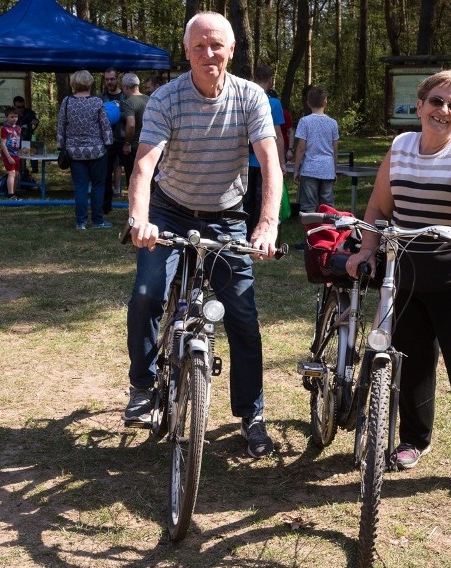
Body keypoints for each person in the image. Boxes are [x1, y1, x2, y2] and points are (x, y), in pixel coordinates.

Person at [344, 70, 451, 495]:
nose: (444, 111)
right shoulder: (400, 146)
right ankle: (414, 439)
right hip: (405, 269)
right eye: (436, 101)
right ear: (419, 106)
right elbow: (380, 204)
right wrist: (366, 249)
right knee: (410, 361)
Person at [123, 11, 283, 459]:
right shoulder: (165, 99)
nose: (208, 53)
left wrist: (266, 222)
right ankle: (141, 385)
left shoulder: (251, 97)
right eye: (199, 46)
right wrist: (140, 218)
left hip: (227, 215)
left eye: (217, 45)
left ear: (231, 50)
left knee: (243, 319)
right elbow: (144, 164)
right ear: (187, 51)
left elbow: (270, 164)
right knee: (147, 294)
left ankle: (251, 415)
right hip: (169, 211)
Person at [57, 70, 114, 230]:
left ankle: (81, 222)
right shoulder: (97, 102)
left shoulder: (67, 102)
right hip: (97, 151)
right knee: (98, 185)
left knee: (80, 187)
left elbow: (61, 126)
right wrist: (109, 143)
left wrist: (61, 146)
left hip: (74, 153)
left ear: (74, 83)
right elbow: (105, 125)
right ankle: (97, 221)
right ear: (90, 83)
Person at [243, 65, 285, 239]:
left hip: (244, 160)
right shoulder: (274, 103)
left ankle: (243, 234)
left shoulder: (246, 98)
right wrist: (281, 162)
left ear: (253, 78)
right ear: (270, 80)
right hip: (264, 160)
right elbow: (278, 136)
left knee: (246, 200)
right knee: (263, 199)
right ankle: (259, 234)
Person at [293, 86, 339, 215]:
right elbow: (335, 150)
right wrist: (334, 170)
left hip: (309, 169)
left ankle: (311, 231)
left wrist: (296, 169)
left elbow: (301, 148)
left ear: (308, 103)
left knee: (309, 205)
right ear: (325, 102)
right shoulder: (333, 123)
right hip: (327, 168)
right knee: (328, 205)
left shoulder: (304, 122)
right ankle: (328, 232)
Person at [100, 67, 126, 211]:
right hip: (107, 142)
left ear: (117, 79)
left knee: (130, 174)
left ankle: (134, 209)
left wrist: (115, 114)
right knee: (105, 175)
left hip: (123, 141)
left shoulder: (125, 97)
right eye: (107, 79)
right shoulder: (100, 98)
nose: (109, 82)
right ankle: (105, 207)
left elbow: (131, 117)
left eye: (112, 79)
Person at [120, 73, 150, 187]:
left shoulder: (129, 102)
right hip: (149, 145)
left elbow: (131, 124)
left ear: (126, 87)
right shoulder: (149, 99)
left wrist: (127, 143)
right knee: (148, 180)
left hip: (134, 148)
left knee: (133, 182)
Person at [13, 95, 39, 182]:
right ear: (14, 107)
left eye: (22, 107)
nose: (21, 109)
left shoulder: (29, 113)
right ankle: (21, 175)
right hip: (15, 141)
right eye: (18, 107)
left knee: (33, 147)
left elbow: (35, 120)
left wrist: (35, 121)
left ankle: (32, 169)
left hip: (28, 139)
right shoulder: (12, 116)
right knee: (20, 160)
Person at [0, 106, 21, 200]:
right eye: (12, 117)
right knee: (11, 173)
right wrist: (8, 157)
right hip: (8, 154)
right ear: (7, 117)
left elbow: (18, 141)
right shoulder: (5, 129)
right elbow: (3, 144)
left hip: (16, 153)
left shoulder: (18, 128)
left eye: (16, 116)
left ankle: (14, 193)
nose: (14, 119)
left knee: (16, 174)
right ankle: (10, 194)